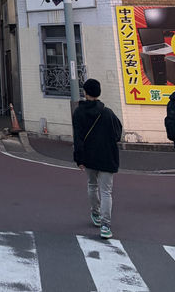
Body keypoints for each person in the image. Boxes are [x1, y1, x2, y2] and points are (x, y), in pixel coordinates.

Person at [72, 78, 122, 239]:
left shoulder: (78, 112)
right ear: (98, 92)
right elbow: (117, 134)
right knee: (106, 191)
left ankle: (96, 214)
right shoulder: (107, 113)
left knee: (92, 185)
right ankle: (106, 225)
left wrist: (79, 158)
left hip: (89, 156)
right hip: (107, 156)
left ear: (85, 93)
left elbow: (78, 138)